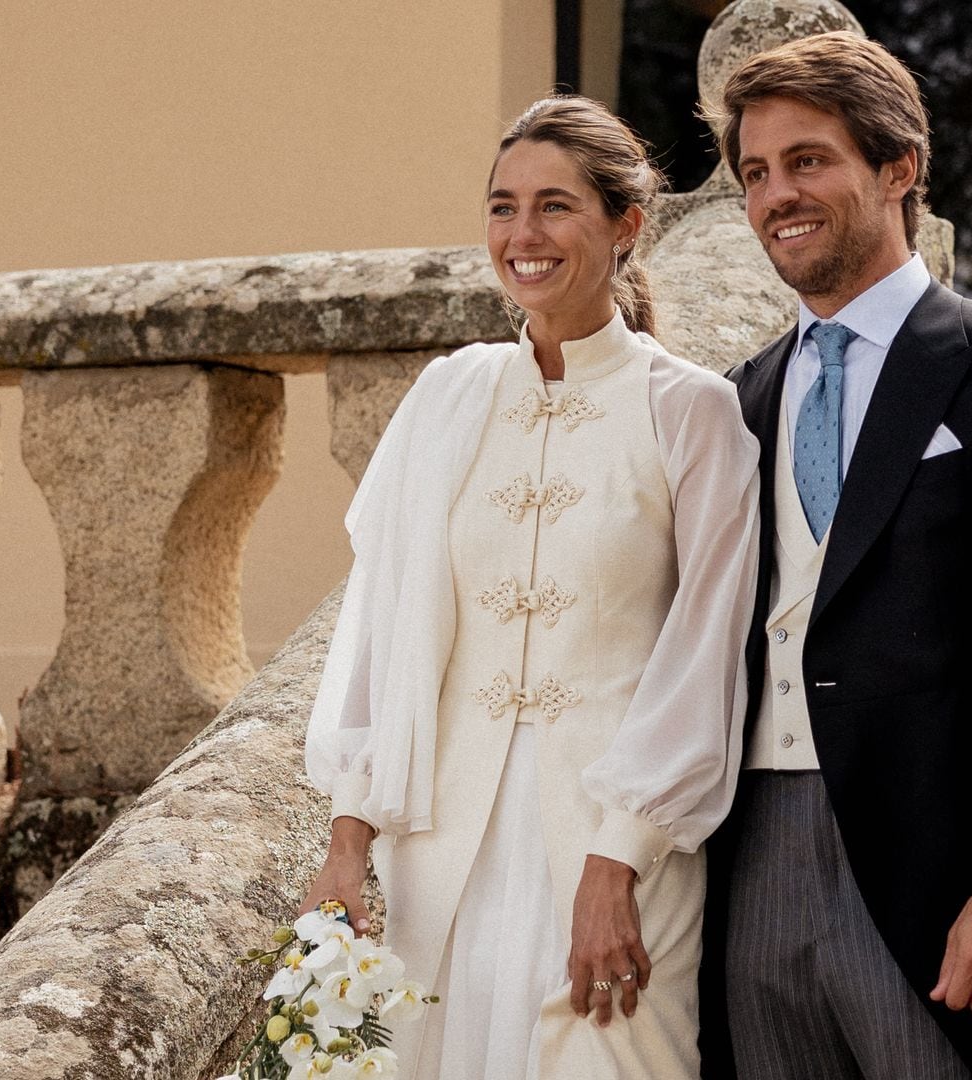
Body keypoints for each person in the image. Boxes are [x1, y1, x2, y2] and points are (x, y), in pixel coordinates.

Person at [299, 95, 760, 1080]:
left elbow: (707, 654)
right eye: (503, 206)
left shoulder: (693, 413)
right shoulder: (447, 397)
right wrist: (347, 842)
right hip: (439, 852)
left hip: (618, 851)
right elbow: (382, 628)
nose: (523, 234)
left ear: (625, 226)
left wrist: (620, 856)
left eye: (555, 206)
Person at [698, 31, 972, 1080]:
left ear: (899, 169)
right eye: (756, 173)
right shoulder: (736, 398)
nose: (776, 196)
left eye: (809, 160)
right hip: (751, 854)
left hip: (934, 865)